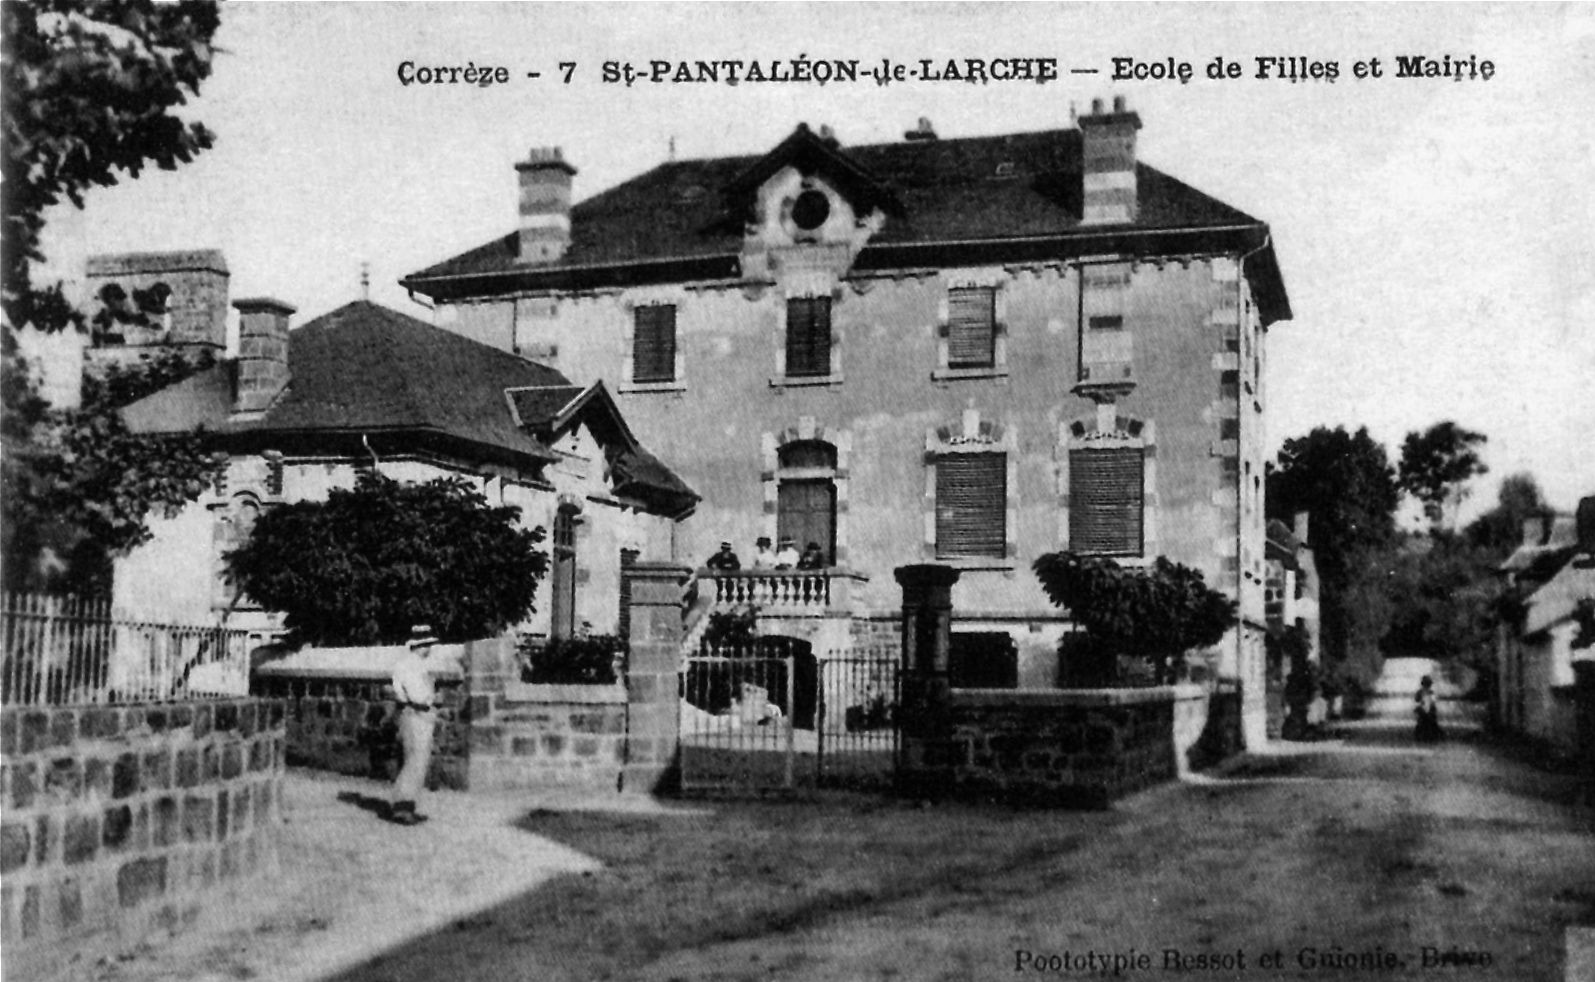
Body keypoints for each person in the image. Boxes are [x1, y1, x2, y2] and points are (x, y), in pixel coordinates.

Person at [389, 625, 440, 825]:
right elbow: (417, 694)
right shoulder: (410, 665)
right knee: (414, 761)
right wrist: (429, 698)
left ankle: (408, 805)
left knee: (417, 760)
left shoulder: (415, 664)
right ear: (422, 645)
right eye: (428, 645)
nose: (430, 649)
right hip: (415, 712)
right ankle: (402, 806)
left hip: (418, 713)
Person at [1414, 675, 1443, 743]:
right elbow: (1433, 701)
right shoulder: (1430, 692)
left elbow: (1417, 699)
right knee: (1432, 721)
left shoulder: (1421, 691)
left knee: (1425, 721)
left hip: (1425, 709)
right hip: (1427, 710)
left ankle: (1422, 735)